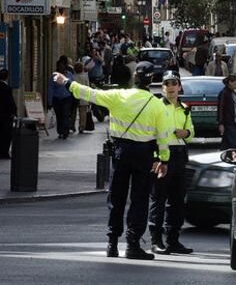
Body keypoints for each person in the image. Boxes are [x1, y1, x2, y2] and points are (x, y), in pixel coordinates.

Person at [53, 60, 170, 261]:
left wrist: (66, 82)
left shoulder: (118, 96)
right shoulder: (157, 105)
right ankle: (133, 244)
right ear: (151, 81)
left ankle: (112, 243)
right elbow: (164, 137)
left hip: (120, 152)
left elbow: (89, 93)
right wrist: (163, 160)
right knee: (140, 199)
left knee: (116, 198)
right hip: (144, 155)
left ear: (134, 78)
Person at [149, 70, 194, 255]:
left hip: (180, 155)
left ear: (179, 86)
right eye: (167, 83)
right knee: (158, 199)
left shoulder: (184, 107)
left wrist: (187, 133)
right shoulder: (157, 106)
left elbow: (191, 131)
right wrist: (155, 159)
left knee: (177, 201)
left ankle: (173, 240)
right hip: (162, 156)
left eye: (174, 83)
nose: (171, 87)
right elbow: (151, 133)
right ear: (162, 87)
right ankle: (156, 241)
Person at [217, 75, 236, 149]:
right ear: (230, 82)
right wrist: (221, 123)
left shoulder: (235, 92)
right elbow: (220, 108)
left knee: (226, 145)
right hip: (229, 123)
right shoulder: (224, 93)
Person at [48, 60, 73, 139]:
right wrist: (49, 101)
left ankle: (65, 131)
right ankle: (60, 131)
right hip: (57, 99)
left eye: (62, 65)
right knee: (59, 116)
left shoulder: (69, 75)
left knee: (65, 115)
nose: (61, 67)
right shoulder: (54, 76)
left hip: (67, 98)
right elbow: (51, 88)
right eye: (59, 66)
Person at [0, 69, 17, 159]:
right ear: (7, 77)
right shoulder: (7, 88)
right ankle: (4, 152)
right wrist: (14, 112)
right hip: (5, 115)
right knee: (6, 134)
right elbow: (10, 102)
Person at [72, 62, 90, 133]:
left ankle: (72, 125)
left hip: (75, 96)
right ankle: (82, 126)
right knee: (83, 113)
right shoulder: (85, 77)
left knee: (73, 112)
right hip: (83, 96)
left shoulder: (73, 77)